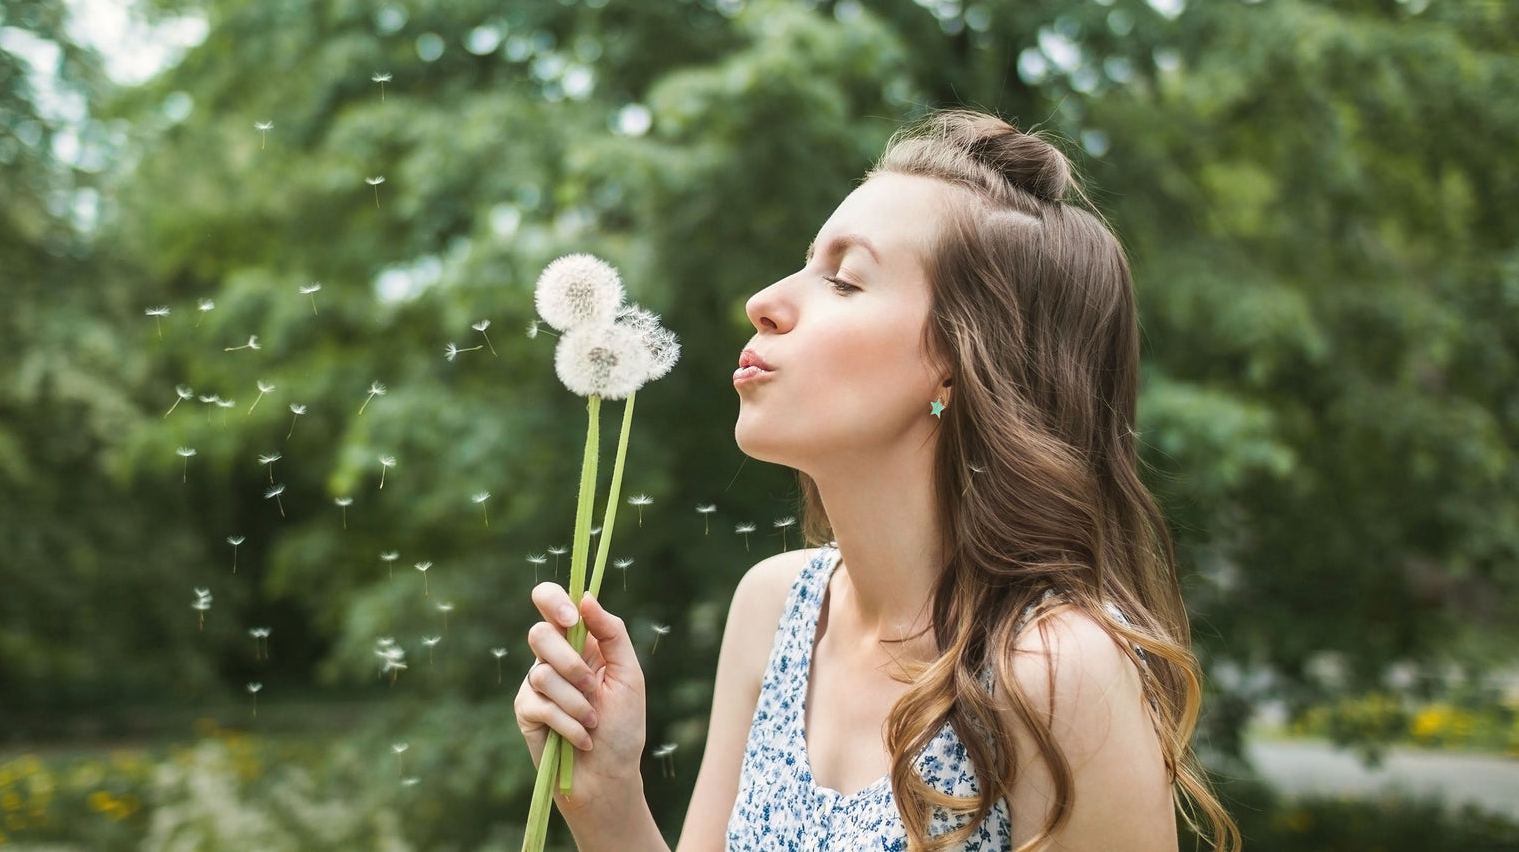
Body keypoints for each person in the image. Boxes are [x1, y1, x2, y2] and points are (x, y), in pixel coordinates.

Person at [513, 110, 1242, 851]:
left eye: (844, 279)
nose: (764, 300)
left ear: (958, 362)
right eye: (805, 263)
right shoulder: (775, 610)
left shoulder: (1054, 672)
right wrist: (606, 800)